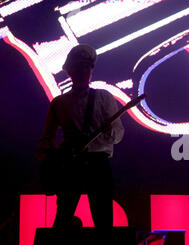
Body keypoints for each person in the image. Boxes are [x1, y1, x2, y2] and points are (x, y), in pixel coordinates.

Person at [37, 44, 124, 230]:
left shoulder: (104, 97)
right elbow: (47, 139)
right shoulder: (59, 103)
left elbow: (118, 135)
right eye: (79, 66)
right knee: (63, 215)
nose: (84, 71)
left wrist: (109, 130)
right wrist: (47, 165)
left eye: (87, 66)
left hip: (98, 163)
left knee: (103, 217)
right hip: (70, 164)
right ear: (70, 71)